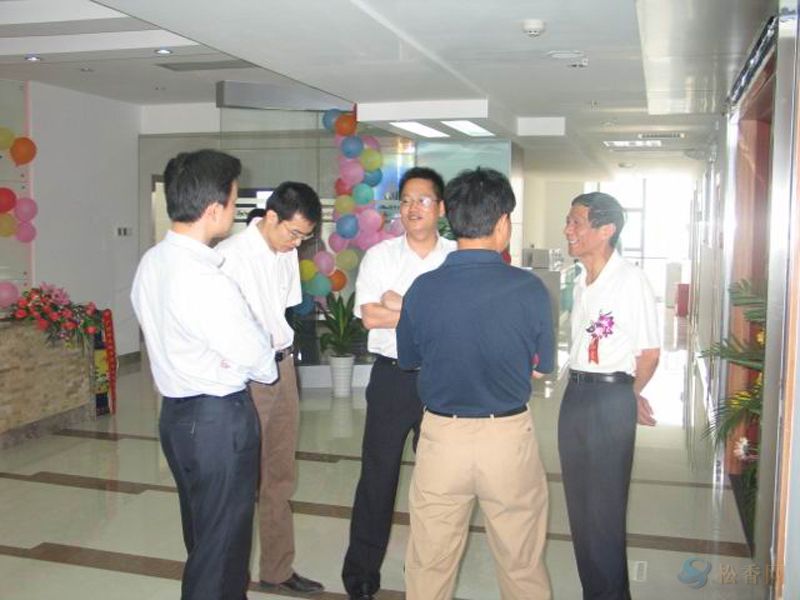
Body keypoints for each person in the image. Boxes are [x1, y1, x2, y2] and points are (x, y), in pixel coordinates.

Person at [396, 167, 554, 600]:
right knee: (521, 561)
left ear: (451, 218)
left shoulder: (422, 289)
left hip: (442, 440)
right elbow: (542, 367)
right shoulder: (530, 289)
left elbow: (409, 360)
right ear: (502, 222)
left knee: (429, 564)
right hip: (508, 440)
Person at [131, 149, 277, 600]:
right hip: (218, 423)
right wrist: (242, 353)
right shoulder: (203, 278)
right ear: (213, 209)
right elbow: (261, 361)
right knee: (221, 551)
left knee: (204, 537)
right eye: (233, 201)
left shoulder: (153, 262)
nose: (234, 211)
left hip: (177, 417)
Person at [341, 166, 456, 600]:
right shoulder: (381, 256)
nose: (412, 208)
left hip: (442, 380)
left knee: (438, 484)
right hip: (391, 377)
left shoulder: (456, 257)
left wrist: (400, 305)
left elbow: (457, 320)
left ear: (440, 208)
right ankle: (361, 575)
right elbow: (370, 316)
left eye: (422, 200)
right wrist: (425, 314)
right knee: (377, 477)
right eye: (405, 200)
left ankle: (426, 575)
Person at [216, 181, 324, 595]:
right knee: (241, 480)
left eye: (304, 237)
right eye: (293, 233)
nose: (296, 243)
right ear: (271, 217)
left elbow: (282, 311)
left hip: (282, 366)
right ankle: (230, 577)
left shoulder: (287, 251)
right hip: (247, 377)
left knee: (280, 474)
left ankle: (277, 570)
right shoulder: (230, 257)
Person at [560, 191, 660, 599]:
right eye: (568, 221)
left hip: (609, 399)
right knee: (580, 510)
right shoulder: (580, 281)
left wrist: (626, 395)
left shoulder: (630, 281)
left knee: (604, 513)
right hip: (575, 396)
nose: (568, 229)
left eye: (576, 222)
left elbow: (649, 354)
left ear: (606, 230)